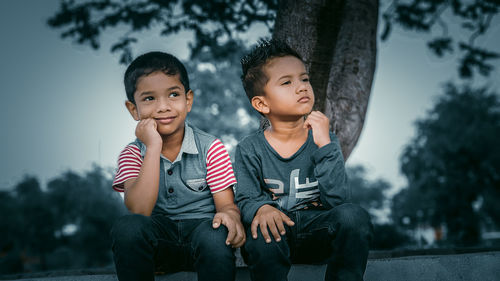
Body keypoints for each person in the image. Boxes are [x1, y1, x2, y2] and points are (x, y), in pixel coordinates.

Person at [234, 39, 373, 281]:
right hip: (273, 238)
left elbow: (338, 201)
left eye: (304, 79)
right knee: (260, 230)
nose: (301, 87)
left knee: (354, 215)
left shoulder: (325, 141)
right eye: (287, 82)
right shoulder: (250, 147)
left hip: (318, 233)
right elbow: (245, 198)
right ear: (261, 103)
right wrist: (262, 208)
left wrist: (325, 146)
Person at [110, 51, 245, 281]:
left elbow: (226, 206)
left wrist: (230, 216)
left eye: (173, 94)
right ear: (134, 109)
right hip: (159, 247)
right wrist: (152, 147)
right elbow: (140, 210)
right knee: (127, 227)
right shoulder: (132, 154)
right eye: (149, 98)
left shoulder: (211, 148)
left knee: (214, 233)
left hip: (205, 243)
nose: (163, 107)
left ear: (188, 100)